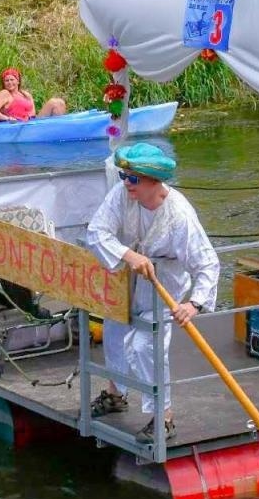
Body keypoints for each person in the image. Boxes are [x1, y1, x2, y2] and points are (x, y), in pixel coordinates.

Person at [86, 142, 220, 440]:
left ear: (153, 181)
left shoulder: (180, 216)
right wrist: (128, 255)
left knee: (146, 347)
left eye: (133, 178)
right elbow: (96, 232)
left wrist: (194, 304)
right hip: (128, 279)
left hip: (164, 287)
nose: (126, 183)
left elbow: (207, 263)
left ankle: (164, 416)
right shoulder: (123, 195)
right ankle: (116, 393)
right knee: (114, 333)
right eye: (124, 176)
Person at [0, 68, 67, 121]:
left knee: (58, 103)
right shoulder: (4, 93)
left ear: (18, 81)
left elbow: (32, 114)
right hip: (14, 125)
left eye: (12, 79)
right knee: (54, 102)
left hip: (29, 123)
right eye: (7, 80)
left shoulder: (26, 94)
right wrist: (7, 119)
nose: (10, 82)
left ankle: (57, 129)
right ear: (4, 83)